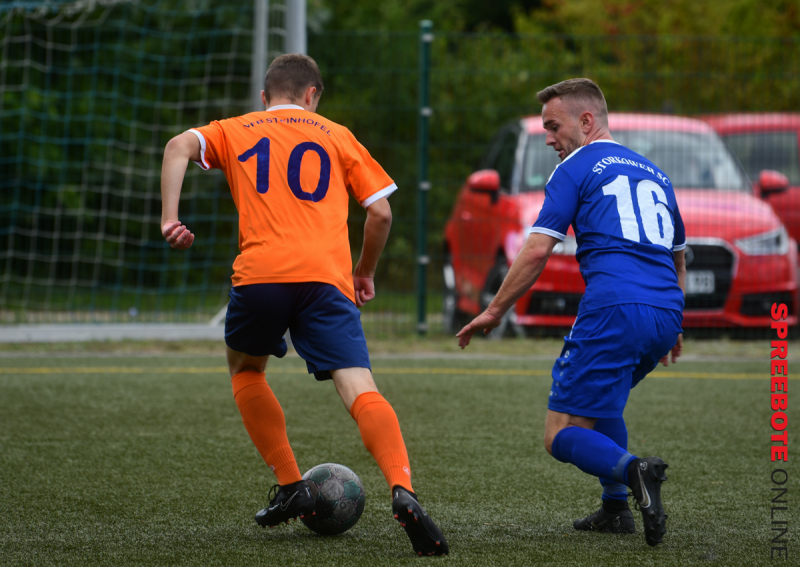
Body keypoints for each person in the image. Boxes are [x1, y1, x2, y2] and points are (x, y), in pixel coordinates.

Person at [160, 53, 447, 557]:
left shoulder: (235, 128)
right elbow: (380, 212)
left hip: (261, 276)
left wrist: (170, 218)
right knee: (359, 387)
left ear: (265, 96)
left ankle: (291, 484)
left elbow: (177, 145)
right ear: (313, 95)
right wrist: (364, 272)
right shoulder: (337, 134)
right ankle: (404, 489)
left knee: (247, 372)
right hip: (325, 282)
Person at [457, 78, 685, 547]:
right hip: (665, 311)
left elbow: (539, 248)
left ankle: (634, 472)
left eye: (553, 126)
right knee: (605, 404)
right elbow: (678, 253)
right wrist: (675, 321)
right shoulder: (654, 171)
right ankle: (615, 509)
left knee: (559, 433)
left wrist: (495, 310)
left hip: (614, 309)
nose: (548, 138)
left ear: (586, 121)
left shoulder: (574, 167)